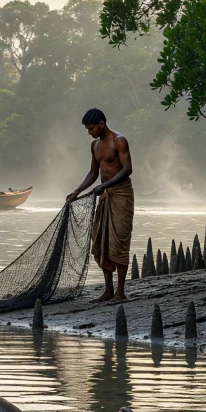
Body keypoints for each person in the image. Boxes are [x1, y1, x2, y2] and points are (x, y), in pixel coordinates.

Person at [67, 108, 134, 301]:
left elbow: (128, 169)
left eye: (91, 128)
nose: (90, 132)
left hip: (121, 195)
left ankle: (120, 292)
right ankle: (108, 291)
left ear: (102, 124)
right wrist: (77, 191)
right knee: (101, 241)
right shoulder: (94, 146)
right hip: (105, 195)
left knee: (119, 241)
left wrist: (104, 186)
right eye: (88, 129)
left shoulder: (119, 140)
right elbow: (93, 173)